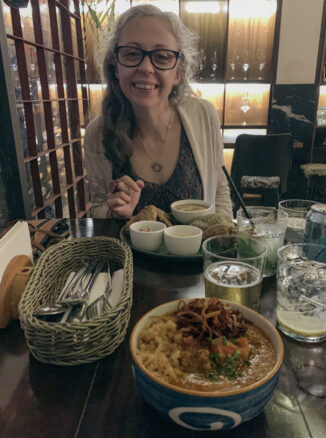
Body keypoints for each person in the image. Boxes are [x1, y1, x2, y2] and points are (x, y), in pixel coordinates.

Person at [84, 4, 232, 220]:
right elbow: (98, 206)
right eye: (132, 54)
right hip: (129, 254)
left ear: (178, 73)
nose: (146, 67)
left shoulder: (204, 114)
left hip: (196, 254)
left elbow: (219, 193)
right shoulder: (98, 133)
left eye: (162, 57)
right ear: (116, 67)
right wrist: (114, 213)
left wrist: (221, 242)